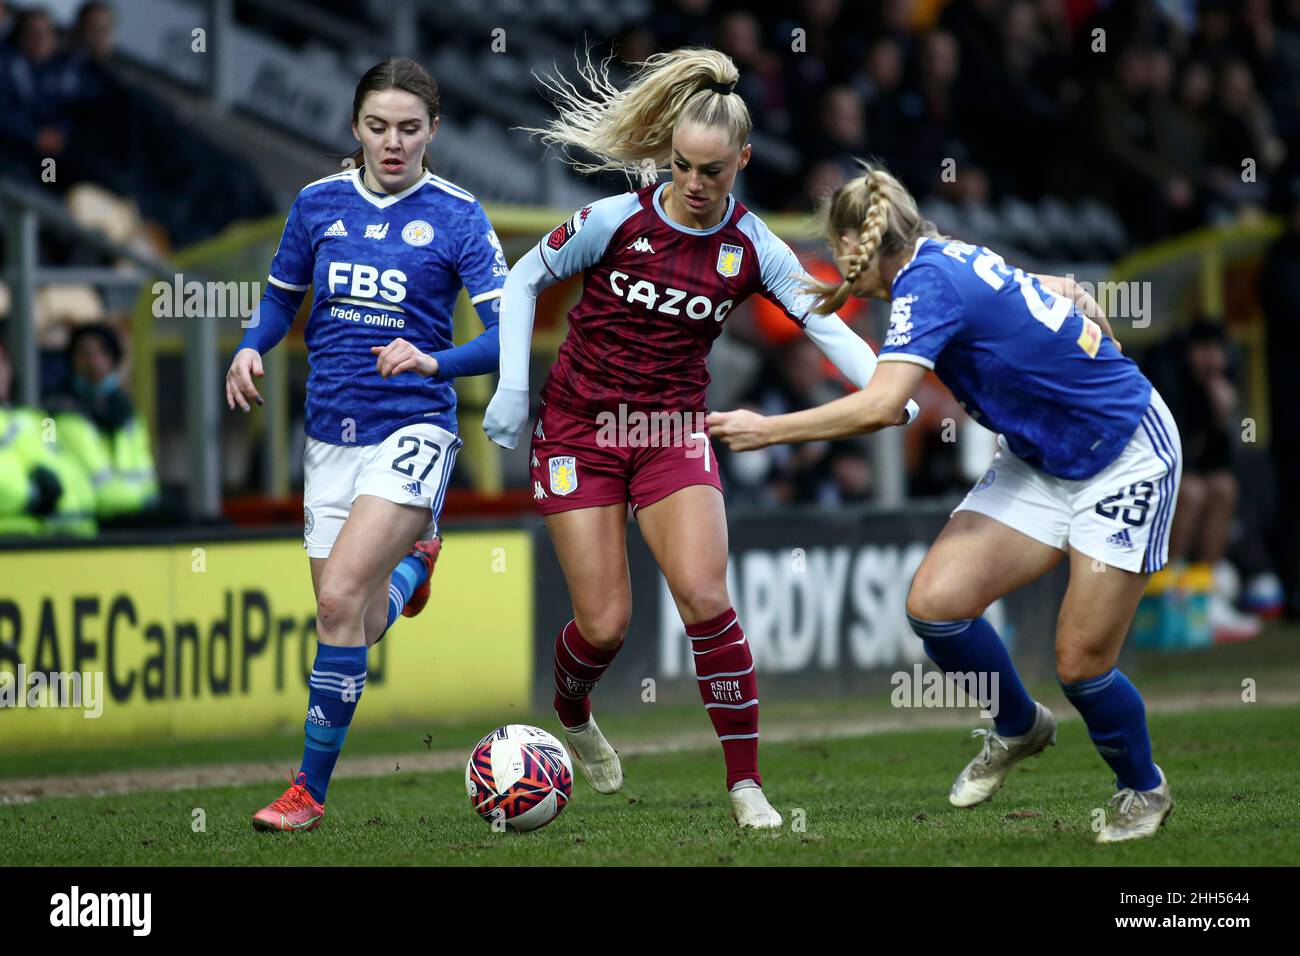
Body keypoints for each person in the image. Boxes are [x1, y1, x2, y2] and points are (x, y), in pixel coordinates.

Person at [483, 48, 916, 829]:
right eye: (680, 165)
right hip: (579, 434)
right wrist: (515, 386)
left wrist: (886, 383)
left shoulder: (753, 247)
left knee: (708, 600)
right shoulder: (617, 219)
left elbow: (822, 322)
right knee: (605, 624)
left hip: (670, 433)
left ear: (742, 162)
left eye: (711, 171)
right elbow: (521, 280)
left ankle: (746, 785)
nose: (691, 183)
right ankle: (573, 710)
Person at [709, 163, 1183, 843]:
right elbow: (1022, 293)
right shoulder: (944, 256)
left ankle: (1143, 789)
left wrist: (767, 429)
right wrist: (1061, 288)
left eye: (839, 255)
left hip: (1123, 456)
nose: (839, 274)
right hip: (1042, 458)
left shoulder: (925, 284)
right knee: (936, 607)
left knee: (1081, 664)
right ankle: (1019, 724)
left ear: (857, 245)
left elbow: (882, 405)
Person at [225, 58, 507, 832]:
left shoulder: (457, 214)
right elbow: (280, 302)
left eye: (409, 129)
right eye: (378, 127)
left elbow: (508, 337)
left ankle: (307, 793)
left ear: (433, 132)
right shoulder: (317, 205)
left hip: (413, 428)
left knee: (339, 596)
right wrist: (252, 346)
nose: (393, 142)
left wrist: (433, 360)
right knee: (346, 615)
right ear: (354, 127)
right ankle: (415, 567)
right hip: (329, 435)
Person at [47, 323, 158, 524]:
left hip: (133, 519)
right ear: (72, 361)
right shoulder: (57, 416)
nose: (94, 361)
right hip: (86, 522)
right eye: (84, 353)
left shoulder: (129, 415)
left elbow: (146, 478)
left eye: (102, 352)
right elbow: (95, 489)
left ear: (114, 360)